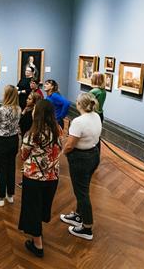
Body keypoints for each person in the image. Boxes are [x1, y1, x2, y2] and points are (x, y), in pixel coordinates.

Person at [18, 100, 62, 258]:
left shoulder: (33, 133)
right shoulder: (58, 130)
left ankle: (37, 245)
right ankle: (38, 234)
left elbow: (23, 154)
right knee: (42, 207)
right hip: (53, 176)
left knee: (32, 210)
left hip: (34, 177)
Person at [60, 93, 102, 241]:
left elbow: (71, 143)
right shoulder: (96, 116)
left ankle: (87, 227)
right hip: (93, 154)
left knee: (82, 193)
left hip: (81, 158)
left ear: (79, 104)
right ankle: (78, 216)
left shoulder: (78, 121)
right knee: (83, 188)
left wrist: (63, 152)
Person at [0, 85, 21, 207]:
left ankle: (0, 197)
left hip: (2, 141)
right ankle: (10, 195)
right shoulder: (18, 109)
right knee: (11, 166)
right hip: (14, 140)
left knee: (1, 168)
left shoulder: (1, 110)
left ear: (7, 95)